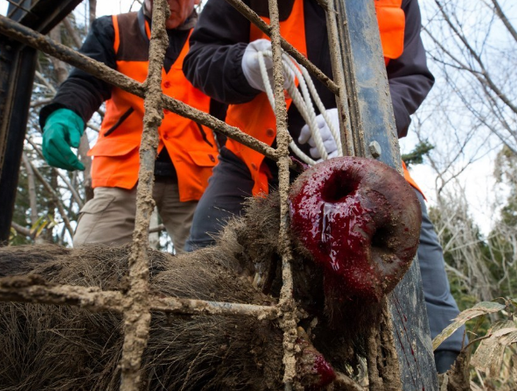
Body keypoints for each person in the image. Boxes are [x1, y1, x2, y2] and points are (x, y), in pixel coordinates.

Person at [182, 0, 466, 372]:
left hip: (367, 156)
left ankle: (444, 368)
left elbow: (412, 77)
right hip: (255, 158)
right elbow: (200, 57)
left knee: (427, 290)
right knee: (198, 271)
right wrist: (242, 66)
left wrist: (361, 119)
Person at [39, 0, 226, 253]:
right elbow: (86, 81)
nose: (166, 4)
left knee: (218, 265)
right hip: (123, 170)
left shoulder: (211, 40)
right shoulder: (113, 29)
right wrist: (66, 112)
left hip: (196, 175)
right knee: (90, 260)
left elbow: (228, 112)